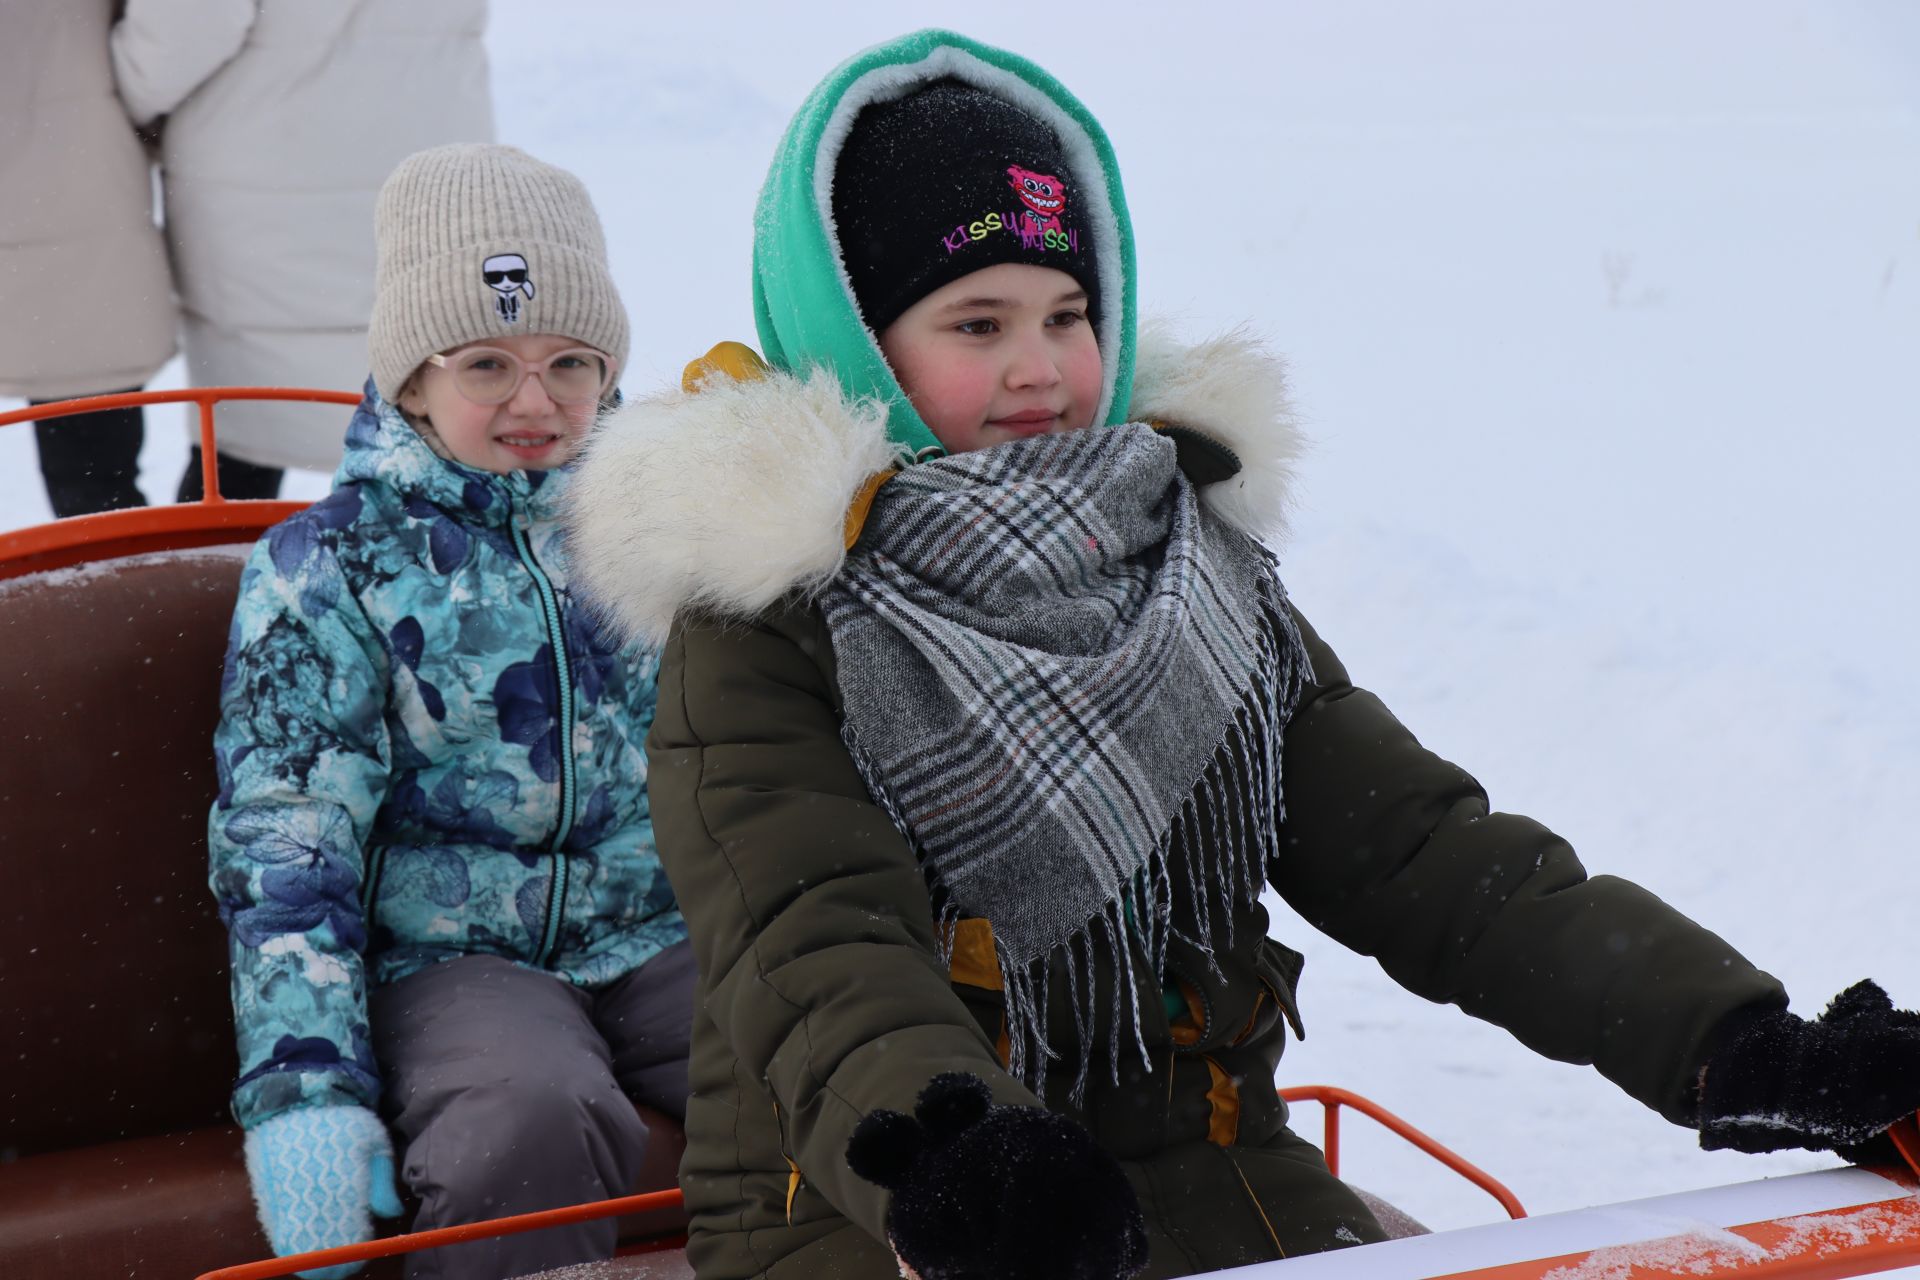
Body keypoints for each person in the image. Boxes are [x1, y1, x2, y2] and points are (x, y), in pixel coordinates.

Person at [563, 30, 1920, 1280]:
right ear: (858, 341)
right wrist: (956, 1153)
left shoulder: (1188, 570)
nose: (1041, 367)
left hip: (1207, 1178)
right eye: (977, 324)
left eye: (1067, 314)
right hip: (886, 1210)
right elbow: (816, 945)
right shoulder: (771, 625)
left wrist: (1735, 1043)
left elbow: (1431, 860)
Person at [209, 144, 688, 1280]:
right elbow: (289, 834)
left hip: (663, 924)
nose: (537, 401)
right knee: (523, 1115)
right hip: (451, 952)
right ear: (411, 379)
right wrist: (304, 1095)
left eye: (572, 361)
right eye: (487, 363)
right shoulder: (328, 570)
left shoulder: (658, 523)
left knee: (807, 1060)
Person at [110, 0, 493, 500]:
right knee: (424, 409)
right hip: (430, 154)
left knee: (245, 434)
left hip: (269, 166)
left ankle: (214, 572)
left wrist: (121, 99)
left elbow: (181, 37)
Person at [2, 0, 176, 519]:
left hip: (63, 219)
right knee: (97, 473)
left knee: (90, 479)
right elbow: (166, 49)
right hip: (81, 194)